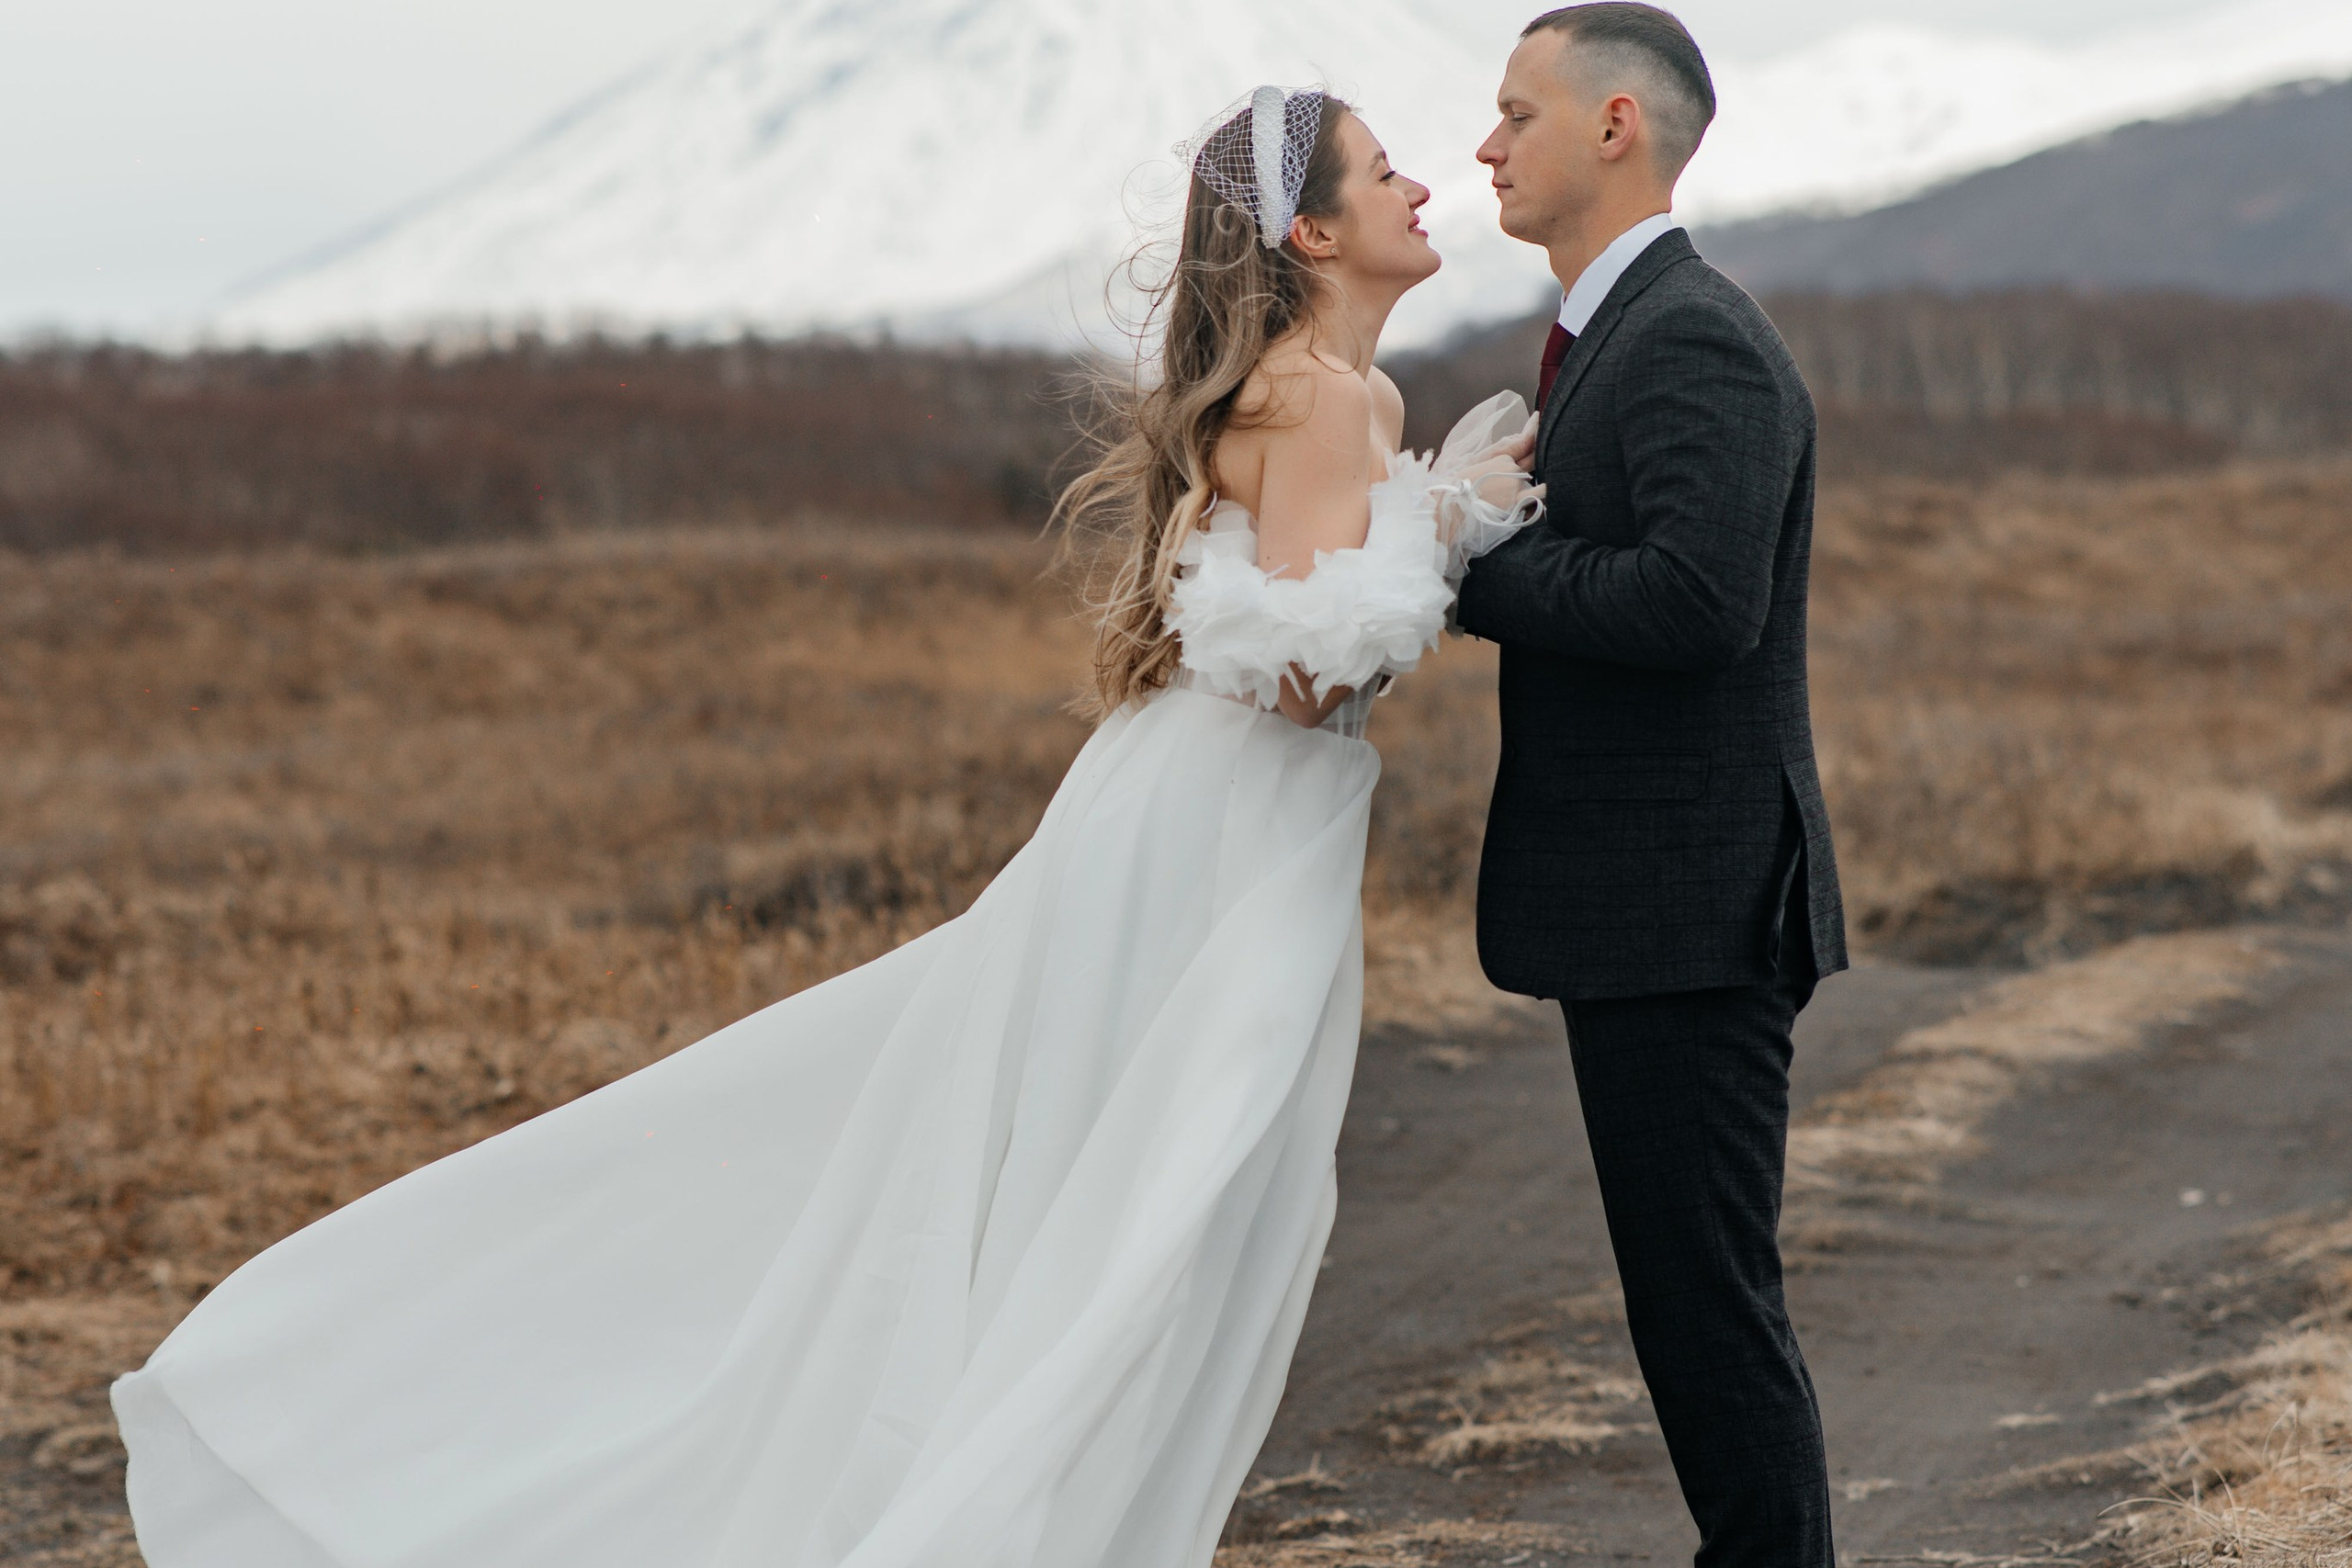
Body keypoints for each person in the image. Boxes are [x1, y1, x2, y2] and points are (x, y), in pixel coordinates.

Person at [108, 87, 1539, 1568]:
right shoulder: (1319, 400)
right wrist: (1445, 524)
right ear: (1311, 233)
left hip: (1243, 817)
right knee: (1158, 1194)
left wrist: (1431, 520)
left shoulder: (1353, 397)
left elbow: (1307, 633)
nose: (1419, 186)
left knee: (1149, 1184)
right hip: (1214, 835)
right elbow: (1306, 678)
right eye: (1384, 171)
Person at [1455, 7, 1850, 1567]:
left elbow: (1699, 603)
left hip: (1693, 914)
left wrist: (1468, 567)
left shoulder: (1690, 334)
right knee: (1692, 1313)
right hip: (1651, 912)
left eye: (1516, 113)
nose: (1486, 145)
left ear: (1615, 126)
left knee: (1710, 1319)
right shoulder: (1615, 329)